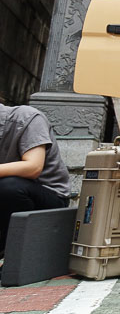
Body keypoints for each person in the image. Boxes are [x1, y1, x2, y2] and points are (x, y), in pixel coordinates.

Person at [0, 102, 71, 253]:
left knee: (9, 187)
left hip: (48, 198)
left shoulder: (27, 117)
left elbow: (33, 167)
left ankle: (12, 254)